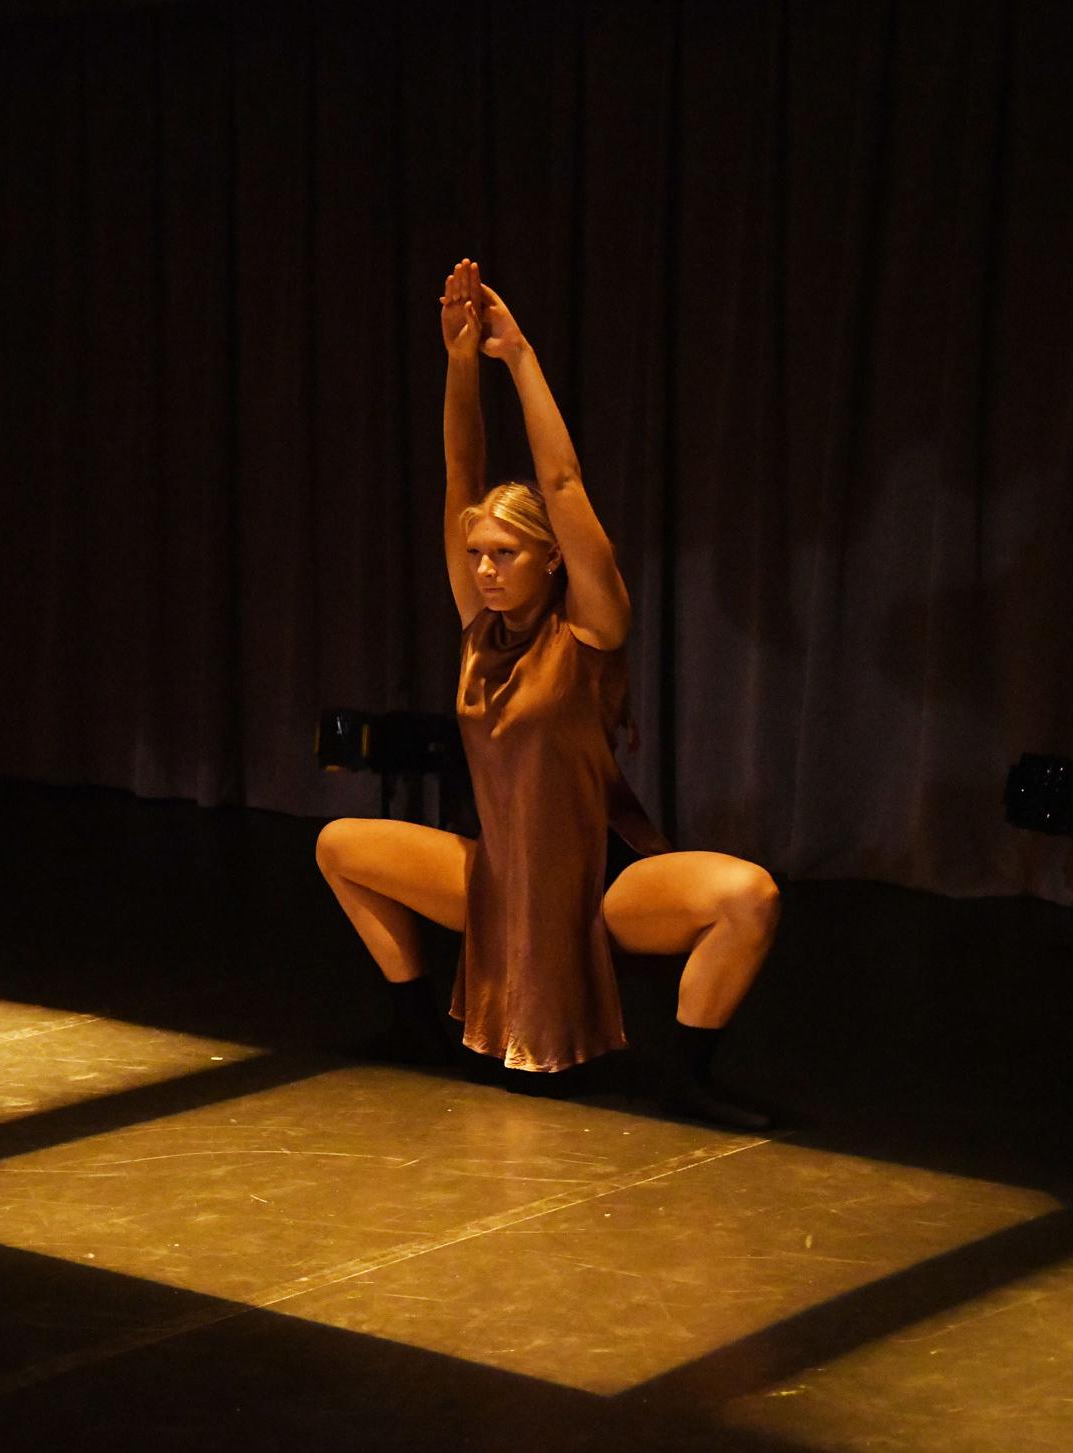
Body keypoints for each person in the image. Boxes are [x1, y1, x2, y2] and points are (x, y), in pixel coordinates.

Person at [312, 258, 778, 1130]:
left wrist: (515, 356)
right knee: (339, 844)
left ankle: (687, 1077)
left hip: (593, 887)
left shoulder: (591, 629)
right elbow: (459, 479)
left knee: (747, 896)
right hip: (495, 880)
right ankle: (416, 1029)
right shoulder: (474, 627)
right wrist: (457, 362)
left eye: (506, 554)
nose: (485, 570)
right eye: (477, 553)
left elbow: (561, 487)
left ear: (551, 558)